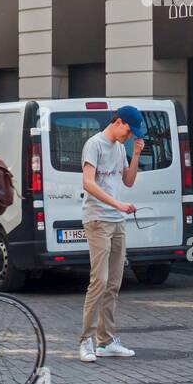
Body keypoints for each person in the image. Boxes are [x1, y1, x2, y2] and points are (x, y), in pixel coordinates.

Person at [78, 106, 145, 364]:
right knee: (100, 281)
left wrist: (136, 154)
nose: (130, 136)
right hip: (97, 220)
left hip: (117, 222)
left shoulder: (119, 148)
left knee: (114, 282)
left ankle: (106, 341)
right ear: (118, 122)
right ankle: (86, 340)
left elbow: (127, 181)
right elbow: (88, 182)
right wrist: (117, 205)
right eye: (128, 130)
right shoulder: (93, 145)